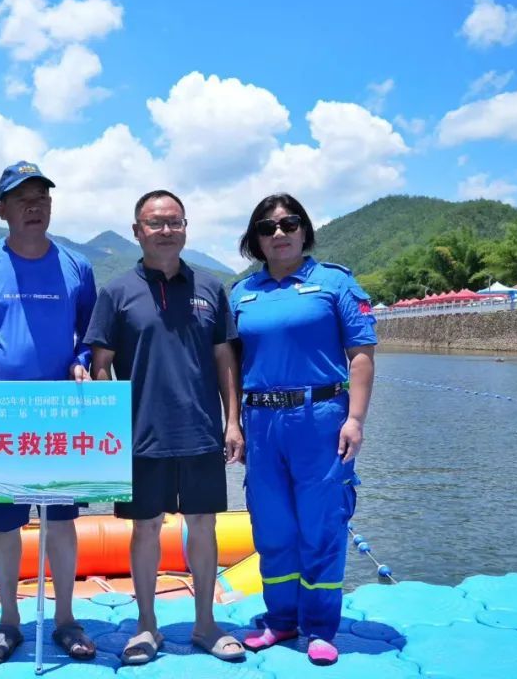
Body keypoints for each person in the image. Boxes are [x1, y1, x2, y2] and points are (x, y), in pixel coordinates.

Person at [0, 160, 98, 666]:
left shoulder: (77, 266)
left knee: (62, 523)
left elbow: (92, 331)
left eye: (42, 198)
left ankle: (66, 619)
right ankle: (8, 621)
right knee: (4, 526)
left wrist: (81, 361)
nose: (34, 207)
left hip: (59, 413)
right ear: (1, 209)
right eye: (23, 199)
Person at [85, 190, 246, 666]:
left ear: (185, 228)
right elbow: (100, 365)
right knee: (145, 529)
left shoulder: (210, 288)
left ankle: (205, 624)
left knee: (204, 526)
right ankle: (146, 625)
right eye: (155, 223)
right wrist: (109, 431)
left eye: (174, 222)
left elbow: (225, 358)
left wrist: (232, 421)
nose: (166, 230)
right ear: (137, 231)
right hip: (140, 435)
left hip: (201, 430)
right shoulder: (116, 292)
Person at [230, 192, 376, 666]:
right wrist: (233, 424)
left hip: (320, 418)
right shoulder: (242, 293)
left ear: (304, 230)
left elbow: (361, 354)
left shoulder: (334, 283)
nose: (279, 233)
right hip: (260, 422)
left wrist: (355, 419)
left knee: (321, 523)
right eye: (267, 227)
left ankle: (319, 626)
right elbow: (228, 363)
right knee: (272, 526)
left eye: (289, 223)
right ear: (255, 239)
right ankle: (280, 619)